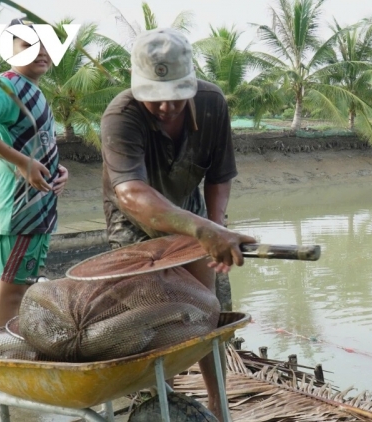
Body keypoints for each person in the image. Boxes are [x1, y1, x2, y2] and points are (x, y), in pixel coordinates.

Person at [99, 28, 256, 421]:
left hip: (193, 210)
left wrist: (215, 228)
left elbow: (220, 176)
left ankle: (219, 404)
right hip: (133, 220)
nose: (167, 106)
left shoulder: (212, 103)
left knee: (209, 312)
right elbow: (132, 193)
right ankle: (160, 400)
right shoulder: (121, 117)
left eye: (176, 94)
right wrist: (203, 230)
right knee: (149, 314)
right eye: (154, 96)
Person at [0, 17, 68, 330]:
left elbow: (31, 142)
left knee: (15, 287)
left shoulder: (28, 89)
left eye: (47, 43)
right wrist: (23, 163)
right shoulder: (8, 85)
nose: (42, 50)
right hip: (22, 212)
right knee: (12, 293)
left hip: (33, 210)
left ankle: (7, 353)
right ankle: (2, 357)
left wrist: (56, 168)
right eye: (29, 44)